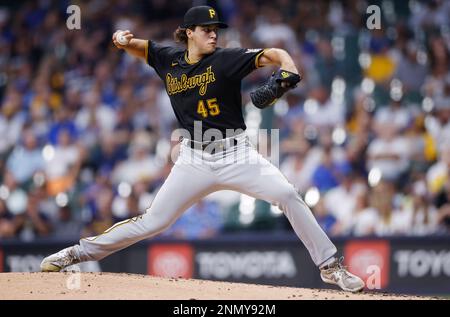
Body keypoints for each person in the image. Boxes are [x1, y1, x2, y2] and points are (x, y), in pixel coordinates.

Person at [40, 6, 364, 293]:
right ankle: (76, 254)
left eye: (216, 29)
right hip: (193, 158)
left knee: (289, 195)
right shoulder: (168, 59)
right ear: (189, 33)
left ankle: (330, 266)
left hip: (237, 155)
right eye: (207, 30)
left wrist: (288, 71)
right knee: (154, 222)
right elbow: (143, 49)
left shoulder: (226, 59)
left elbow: (276, 53)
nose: (213, 34)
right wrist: (123, 41)